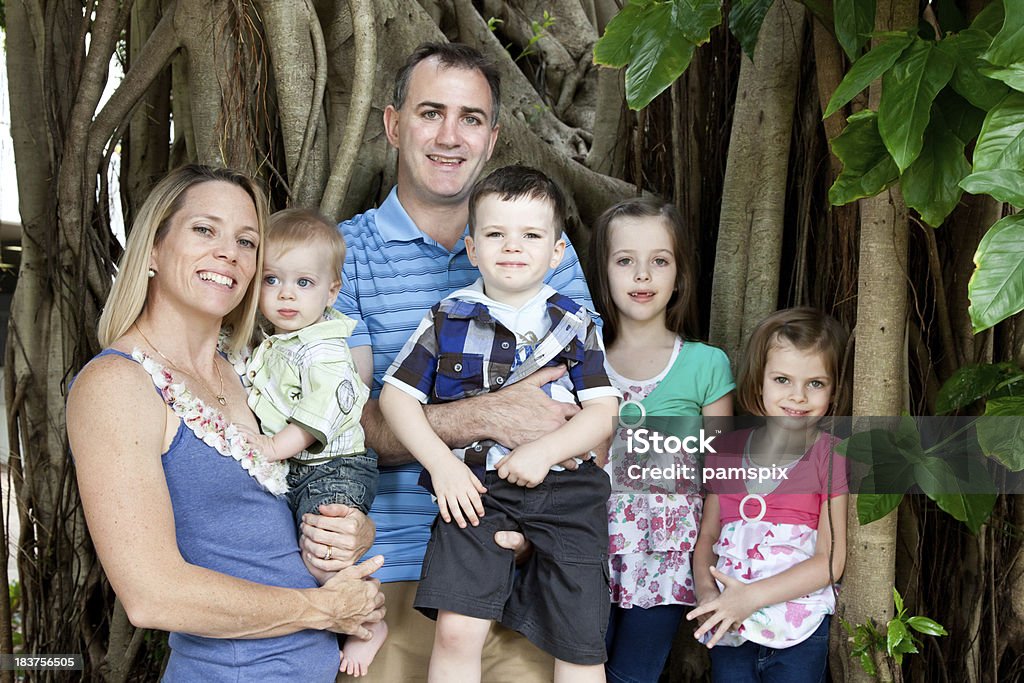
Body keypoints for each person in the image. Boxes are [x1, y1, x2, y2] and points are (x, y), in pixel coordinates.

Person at [335, 42, 595, 681]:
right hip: (390, 576)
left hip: (523, 562)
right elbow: (347, 428)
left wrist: (533, 533)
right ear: (394, 125)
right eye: (430, 113)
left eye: (471, 118)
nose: (450, 136)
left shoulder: (547, 257)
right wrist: (492, 415)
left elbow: (578, 412)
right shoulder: (344, 255)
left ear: (493, 137)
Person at [67, 165, 385, 682]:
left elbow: (285, 512)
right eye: (204, 230)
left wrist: (352, 531)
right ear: (152, 249)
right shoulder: (117, 386)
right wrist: (326, 610)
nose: (228, 253)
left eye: (247, 241)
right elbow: (152, 595)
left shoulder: (255, 368)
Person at [380, 166, 619, 682]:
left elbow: (603, 411)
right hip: (475, 491)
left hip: (570, 492)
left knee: (580, 641)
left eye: (531, 235)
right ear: (471, 248)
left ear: (557, 253)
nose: (513, 247)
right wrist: (441, 465)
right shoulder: (448, 317)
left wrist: (544, 452)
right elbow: (396, 398)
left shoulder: (575, 323)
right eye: (495, 234)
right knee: (457, 628)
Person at [231, 208, 387, 676]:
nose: (285, 294)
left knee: (324, 551)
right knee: (303, 552)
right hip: (303, 469)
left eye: (303, 283)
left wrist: (274, 447)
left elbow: (326, 409)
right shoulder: (274, 344)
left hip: (336, 466)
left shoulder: (324, 348)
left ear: (331, 291)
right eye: (272, 280)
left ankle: (368, 621)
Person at [585, 198, 734, 683]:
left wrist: (704, 560)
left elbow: (721, 478)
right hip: (584, 548)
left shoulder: (707, 365)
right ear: (603, 273)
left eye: (660, 261)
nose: (642, 276)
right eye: (625, 261)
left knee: (633, 676)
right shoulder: (579, 361)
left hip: (669, 555)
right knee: (577, 667)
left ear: (679, 273)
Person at [689, 307, 849, 683]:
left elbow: (831, 560)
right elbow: (708, 538)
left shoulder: (830, 455)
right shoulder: (725, 451)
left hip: (801, 632)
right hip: (731, 630)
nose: (798, 396)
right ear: (758, 381)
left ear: (834, 388)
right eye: (782, 379)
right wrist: (707, 593)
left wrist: (751, 597)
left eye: (815, 383)